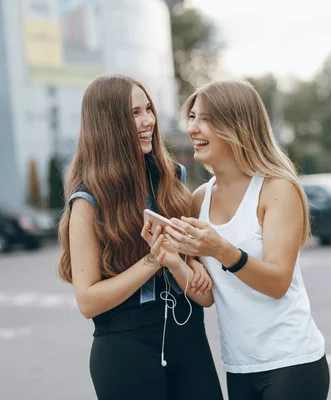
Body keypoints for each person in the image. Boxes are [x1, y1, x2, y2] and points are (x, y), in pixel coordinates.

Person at [57, 74, 223, 400]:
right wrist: (152, 260)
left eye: (148, 109)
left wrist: (194, 261)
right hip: (124, 347)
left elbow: (194, 271)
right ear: (109, 124)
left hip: (188, 336)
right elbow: (88, 301)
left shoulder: (172, 177)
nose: (148, 120)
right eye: (135, 113)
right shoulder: (88, 201)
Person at [164, 80, 330, 400]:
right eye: (192, 118)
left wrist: (221, 250)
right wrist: (173, 262)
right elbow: (209, 296)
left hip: (292, 363)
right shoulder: (200, 199)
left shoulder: (277, 189)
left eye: (205, 119)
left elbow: (278, 282)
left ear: (235, 126)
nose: (193, 129)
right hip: (239, 367)